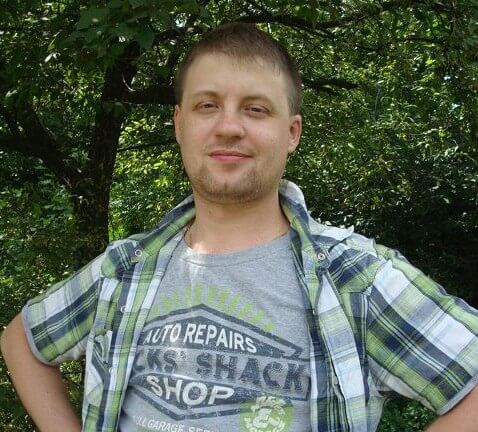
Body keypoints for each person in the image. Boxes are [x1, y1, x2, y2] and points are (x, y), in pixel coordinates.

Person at [1, 22, 478, 432]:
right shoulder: (124, 269)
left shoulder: (356, 279)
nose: (229, 126)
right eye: (207, 105)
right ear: (179, 124)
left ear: (291, 133)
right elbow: (21, 340)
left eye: (255, 109)